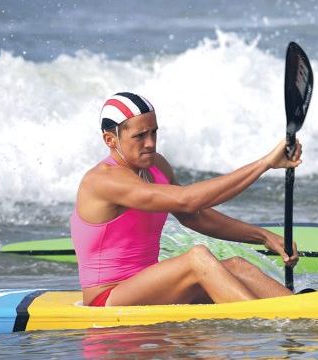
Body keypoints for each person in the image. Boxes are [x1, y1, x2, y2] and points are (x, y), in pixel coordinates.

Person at [71, 92, 300, 307]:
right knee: (196, 258)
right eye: (140, 136)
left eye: (154, 132)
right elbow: (187, 200)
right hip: (107, 298)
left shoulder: (156, 166)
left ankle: (302, 310)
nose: (150, 143)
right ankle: (268, 320)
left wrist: (263, 236)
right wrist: (264, 164)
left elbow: (195, 216)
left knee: (238, 267)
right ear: (110, 140)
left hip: (150, 286)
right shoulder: (104, 181)